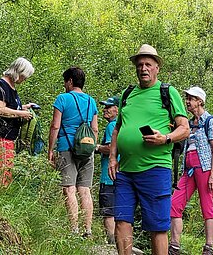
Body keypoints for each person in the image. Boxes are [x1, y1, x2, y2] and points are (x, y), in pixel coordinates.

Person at [109, 44, 190, 255]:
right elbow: (118, 129)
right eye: (140, 64)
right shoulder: (128, 94)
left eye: (148, 64)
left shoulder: (167, 92)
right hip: (125, 170)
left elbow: (184, 128)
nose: (143, 68)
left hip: (155, 168)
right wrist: (112, 158)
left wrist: (165, 138)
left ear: (157, 68)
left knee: (157, 227)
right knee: (121, 221)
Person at [169, 87, 213, 255]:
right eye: (187, 98)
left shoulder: (210, 121)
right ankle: (174, 246)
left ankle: (208, 248)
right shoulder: (189, 124)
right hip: (188, 170)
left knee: (207, 207)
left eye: (191, 98)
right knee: (174, 204)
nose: (188, 101)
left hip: (204, 169)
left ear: (200, 101)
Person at [48, 67, 98, 237]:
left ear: (70, 81)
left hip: (66, 147)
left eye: (65, 81)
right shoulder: (92, 102)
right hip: (87, 149)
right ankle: (88, 230)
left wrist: (50, 149)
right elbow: (95, 130)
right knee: (85, 190)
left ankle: (74, 229)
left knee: (69, 188)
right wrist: (90, 147)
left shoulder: (62, 98)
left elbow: (55, 125)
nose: (64, 85)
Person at [0, 57, 34, 186]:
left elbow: (10, 106)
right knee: (1, 173)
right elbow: (0, 110)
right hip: (0, 136)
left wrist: (24, 108)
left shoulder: (12, 88)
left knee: (6, 173)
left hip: (9, 137)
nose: (24, 80)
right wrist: (21, 113)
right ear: (18, 72)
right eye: (24, 76)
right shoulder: (1, 85)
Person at [97, 95, 120, 245]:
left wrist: (97, 147)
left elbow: (111, 148)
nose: (104, 110)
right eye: (104, 107)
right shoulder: (121, 124)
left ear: (116, 110)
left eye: (108, 107)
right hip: (120, 174)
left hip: (108, 175)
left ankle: (111, 242)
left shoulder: (112, 126)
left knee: (108, 211)